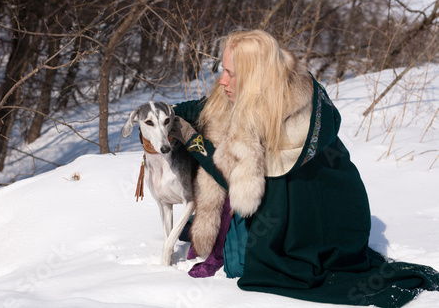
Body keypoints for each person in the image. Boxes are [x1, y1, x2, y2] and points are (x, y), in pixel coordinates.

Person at [169, 29, 439, 307]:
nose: (223, 81)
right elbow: (205, 108)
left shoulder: (276, 115)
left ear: (255, 77)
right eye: (223, 70)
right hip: (322, 206)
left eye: (232, 74)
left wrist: (192, 140)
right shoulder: (264, 86)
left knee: (239, 263)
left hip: (310, 219)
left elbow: (230, 176)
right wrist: (168, 112)